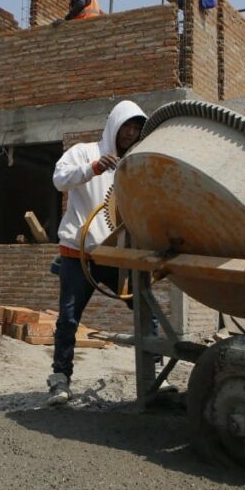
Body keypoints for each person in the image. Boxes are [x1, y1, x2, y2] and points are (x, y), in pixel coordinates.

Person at [47, 101, 146, 404]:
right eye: (127, 126)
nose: (130, 133)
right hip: (78, 254)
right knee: (68, 319)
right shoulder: (84, 152)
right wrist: (94, 168)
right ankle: (60, 379)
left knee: (145, 309)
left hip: (117, 255)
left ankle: (155, 375)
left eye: (136, 128)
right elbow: (59, 180)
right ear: (115, 124)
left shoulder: (135, 163)